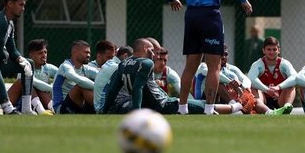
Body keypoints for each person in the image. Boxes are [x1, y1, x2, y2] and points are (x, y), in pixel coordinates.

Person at [161, 0, 253, 115]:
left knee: (190, 65)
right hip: (210, 16)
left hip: (191, 15)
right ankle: (210, 109)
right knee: (214, 66)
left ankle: (182, 108)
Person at [103, 38, 243, 115]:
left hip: (150, 104)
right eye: (153, 50)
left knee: (196, 105)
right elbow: (138, 89)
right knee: (201, 105)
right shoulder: (145, 63)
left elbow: (113, 89)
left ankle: (234, 107)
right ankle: (236, 107)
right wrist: (137, 114)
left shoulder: (123, 63)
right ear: (145, 49)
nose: (155, 55)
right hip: (162, 104)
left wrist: (104, 110)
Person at [194, 45, 293, 115]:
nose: (223, 57)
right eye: (220, 54)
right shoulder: (203, 66)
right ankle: (234, 106)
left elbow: (247, 80)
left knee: (250, 94)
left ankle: (270, 112)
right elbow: (216, 75)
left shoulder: (230, 69)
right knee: (217, 82)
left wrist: (241, 87)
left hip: (225, 103)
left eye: (226, 54)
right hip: (205, 102)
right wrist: (231, 82)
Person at [7, 38, 57, 114]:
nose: (44, 55)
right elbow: (36, 83)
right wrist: (54, 88)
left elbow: (62, 75)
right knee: (33, 86)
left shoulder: (48, 67)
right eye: (40, 53)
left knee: (42, 89)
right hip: (21, 103)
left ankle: (55, 109)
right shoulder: (25, 67)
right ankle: (44, 111)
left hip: (41, 101)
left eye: (45, 52)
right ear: (31, 56)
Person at [247, 36, 297, 109]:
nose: (272, 52)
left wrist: (278, 87)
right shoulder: (258, 64)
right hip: (264, 100)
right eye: (269, 49)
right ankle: (261, 107)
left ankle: (287, 107)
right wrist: (267, 90)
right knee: (253, 86)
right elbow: (251, 78)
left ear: (279, 50)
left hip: (280, 100)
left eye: (274, 49)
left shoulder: (284, 64)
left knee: (291, 84)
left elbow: (295, 77)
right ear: (263, 50)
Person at [52, 40, 98, 114]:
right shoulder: (65, 66)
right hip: (61, 108)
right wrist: (98, 87)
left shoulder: (85, 68)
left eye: (89, 53)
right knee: (82, 85)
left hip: (78, 106)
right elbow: (78, 80)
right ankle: (103, 108)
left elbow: (101, 75)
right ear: (75, 52)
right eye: (86, 52)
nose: (89, 55)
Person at [93, 45, 132, 113]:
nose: (133, 63)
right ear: (125, 56)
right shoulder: (116, 67)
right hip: (105, 108)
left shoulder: (110, 64)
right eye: (132, 60)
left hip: (101, 106)